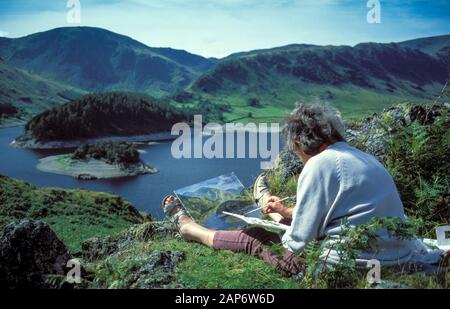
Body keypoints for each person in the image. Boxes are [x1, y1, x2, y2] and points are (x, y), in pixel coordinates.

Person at [162, 103, 446, 277]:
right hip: (401, 255)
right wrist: (285, 212)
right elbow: (336, 214)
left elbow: (297, 244)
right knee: (280, 221)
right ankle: (262, 200)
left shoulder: (319, 165)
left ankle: (190, 229)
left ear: (299, 143)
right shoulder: (361, 156)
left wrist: (276, 226)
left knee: (253, 237)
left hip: (355, 264)